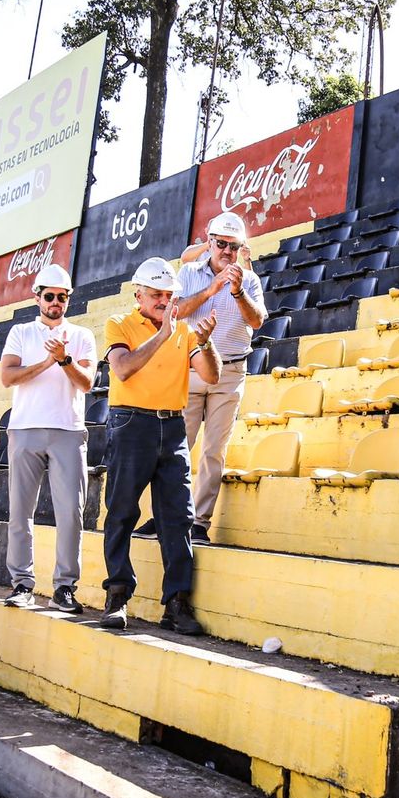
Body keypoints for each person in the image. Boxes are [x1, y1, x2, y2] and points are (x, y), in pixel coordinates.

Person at [100, 257, 218, 635]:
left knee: (178, 516)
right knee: (122, 511)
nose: (164, 301)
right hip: (131, 423)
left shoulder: (183, 331)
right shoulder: (119, 323)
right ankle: (117, 596)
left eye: (169, 296)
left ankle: (176, 602)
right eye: (156, 295)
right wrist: (164, 334)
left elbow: (211, 375)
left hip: (173, 426)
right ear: (138, 295)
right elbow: (123, 368)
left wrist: (205, 343)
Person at [0, 264, 97, 612]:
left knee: (70, 513)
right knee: (19, 512)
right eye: (50, 296)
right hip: (25, 428)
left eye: (62, 297)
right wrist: (46, 362)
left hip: (68, 430)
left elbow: (87, 383)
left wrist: (64, 359)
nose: (56, 302)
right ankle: (22, 584)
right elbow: (7, 377)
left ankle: (65, 587)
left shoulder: (82, 335)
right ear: (37, 297)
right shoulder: (21, 332)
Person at [173, 211, 267, 544]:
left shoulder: (249, 280)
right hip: (189, 367)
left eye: (234, 246)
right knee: (177, 448)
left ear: (241, 248)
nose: (227, 251)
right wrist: (211, 289)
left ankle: (199, 523)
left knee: (213, 451)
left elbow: (257, 321)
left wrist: (238, 292)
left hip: (230, 371)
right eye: (222, 244)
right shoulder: (188, 272)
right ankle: (170, 515)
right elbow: (174, 311)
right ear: (210, 242)